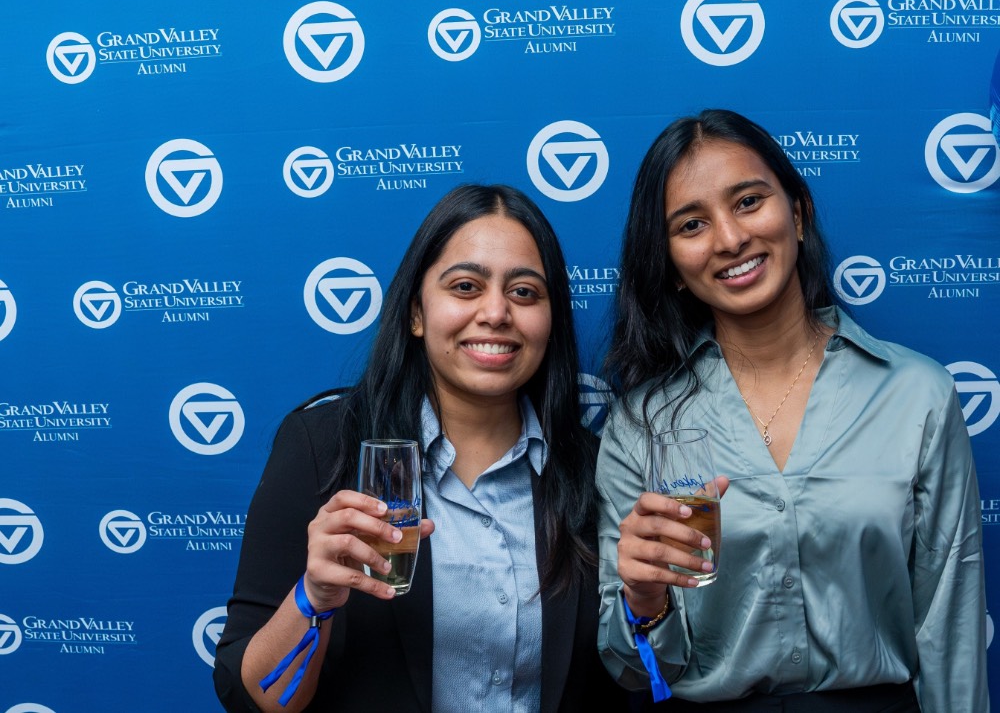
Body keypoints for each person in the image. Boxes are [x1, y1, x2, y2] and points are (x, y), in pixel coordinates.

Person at [596, 109, 988, 711]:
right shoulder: (639, 425)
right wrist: (642, 602)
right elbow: (636, 671)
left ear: (798, 214)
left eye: (749, 201)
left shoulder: (917, 394)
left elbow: (949, 628)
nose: (729, 239)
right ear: (671, 264)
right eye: (692, 224)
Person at [214, 183, 628, 713]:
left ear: (551, 321)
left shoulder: (593, 469)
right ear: (415, 312)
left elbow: (630, 680)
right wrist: (312, 596)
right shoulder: (323, 449)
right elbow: (253, 697)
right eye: (465, 287)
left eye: (524, 292)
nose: (496, 312)